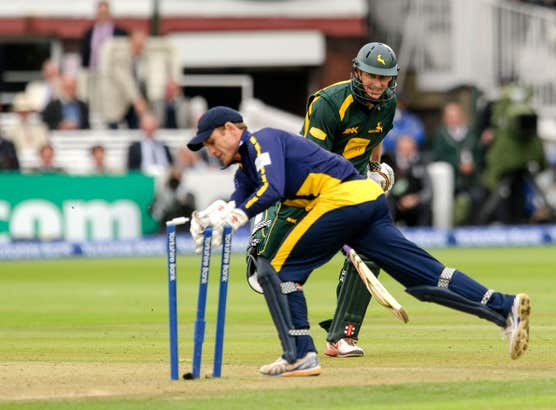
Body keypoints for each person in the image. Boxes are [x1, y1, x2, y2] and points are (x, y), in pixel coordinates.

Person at [186, 106, 531, 377]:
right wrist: (213, 218)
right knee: (425, 279)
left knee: (278, 271)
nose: (211, 151)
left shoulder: (262, 141)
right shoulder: (246, 168)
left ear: (232, 129)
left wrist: (238, 216)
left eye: (212, 142)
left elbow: (272, 189)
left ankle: (299, 354)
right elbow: (241, 199)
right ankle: (505, 308)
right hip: (366, 200)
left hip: (342, 200)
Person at [248, 42, 398, 358]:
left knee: (372, 251)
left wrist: (373, 172)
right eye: (371, 75)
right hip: (308, 183)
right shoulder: (328, 104)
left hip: (352, 190)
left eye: (383, 78)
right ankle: (262, 232)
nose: (376, 84)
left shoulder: (388, 103)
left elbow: (376, 136)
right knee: (266, 271)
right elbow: (313, 160)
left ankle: (342, 335)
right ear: (357, 72)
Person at [432, 102, 486, 225]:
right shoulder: (441, 135)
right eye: (450, 116)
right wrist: (457, 165)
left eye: (455, 116)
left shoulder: (471, 132)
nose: (453, 119)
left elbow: (479, 153)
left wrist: (473, 165)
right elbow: (439, 155)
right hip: (452, 180)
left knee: (479, 197)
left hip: (472, 179)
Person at [387, 134, 432, 226]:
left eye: (409, 149)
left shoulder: (421, 163)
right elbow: (383, 189)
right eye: (403, 149)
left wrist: (416, 198)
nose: (406, 152)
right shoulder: (389, 163)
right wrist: (399, 202)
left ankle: (423, 236)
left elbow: (428, 190)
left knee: (425, 207)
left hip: (415, 203)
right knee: (387, 205)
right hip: (395, 203)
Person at [81, 0, 128, 70]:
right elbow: (85, 56)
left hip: (112, 74)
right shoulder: (88, 33)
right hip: (93, 72)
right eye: (100, 13)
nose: (102, 16)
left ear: (109, 13)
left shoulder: (120, 33)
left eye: (105, 13)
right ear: (96, 13)